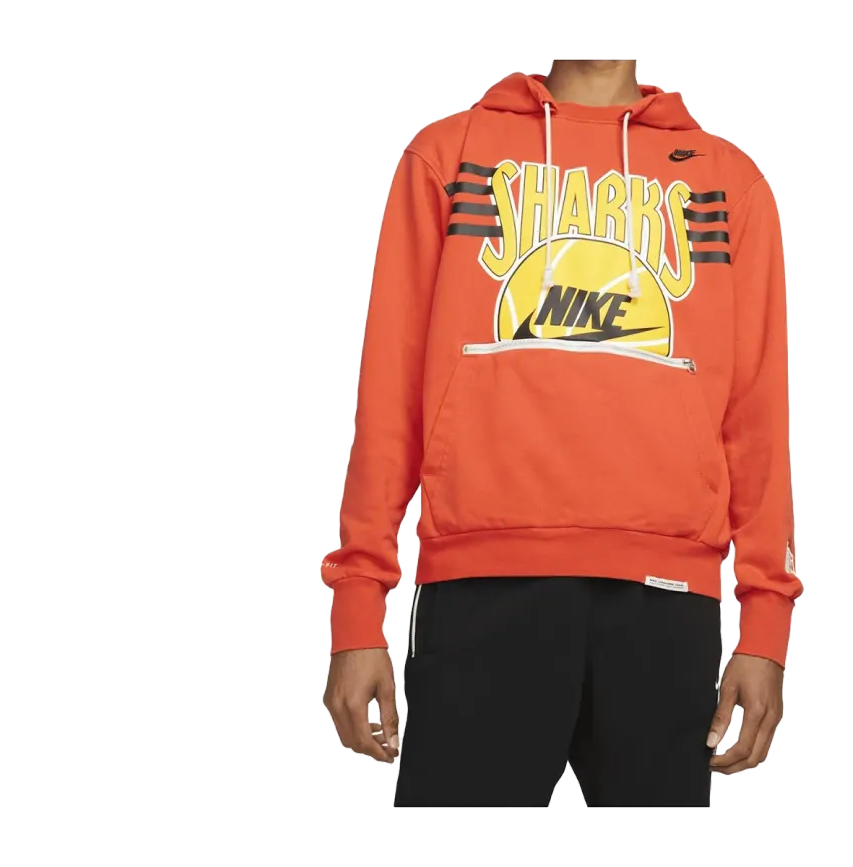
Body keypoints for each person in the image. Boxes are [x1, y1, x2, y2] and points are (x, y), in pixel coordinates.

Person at [319, 57, 803, 807]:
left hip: (666, 595)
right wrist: (357, 606)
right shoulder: (451, 156)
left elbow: (757, 415)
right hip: (481, 581)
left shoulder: (724, 181)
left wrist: (765, 621)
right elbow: (391, 392)